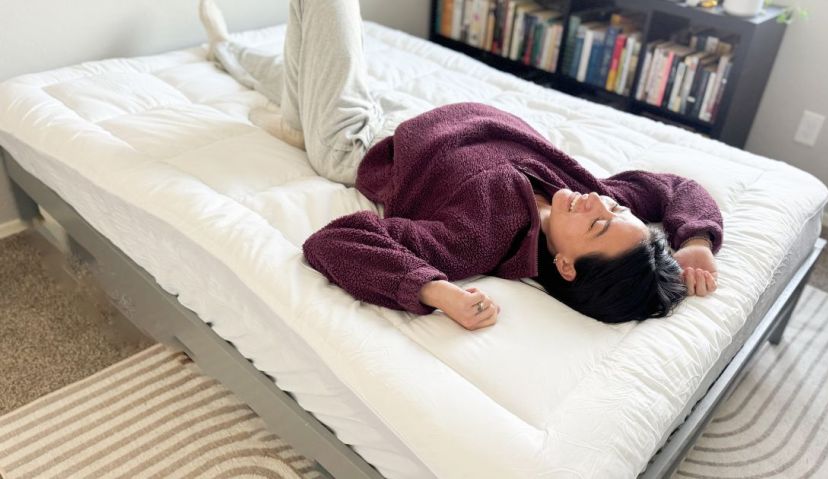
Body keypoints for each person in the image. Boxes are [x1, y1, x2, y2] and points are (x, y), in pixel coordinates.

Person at [198, 0, 722, 331]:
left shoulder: (479, 239)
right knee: (308, 66)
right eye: (614, 207)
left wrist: (433, 289)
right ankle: (233, 56)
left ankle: (279, 100)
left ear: (565, 266)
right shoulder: (589, 196)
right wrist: (695, 239)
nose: (600, 202)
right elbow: (673, 187)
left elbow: (337, 242)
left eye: (599, 222)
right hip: (410, 121)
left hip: (360, 143)